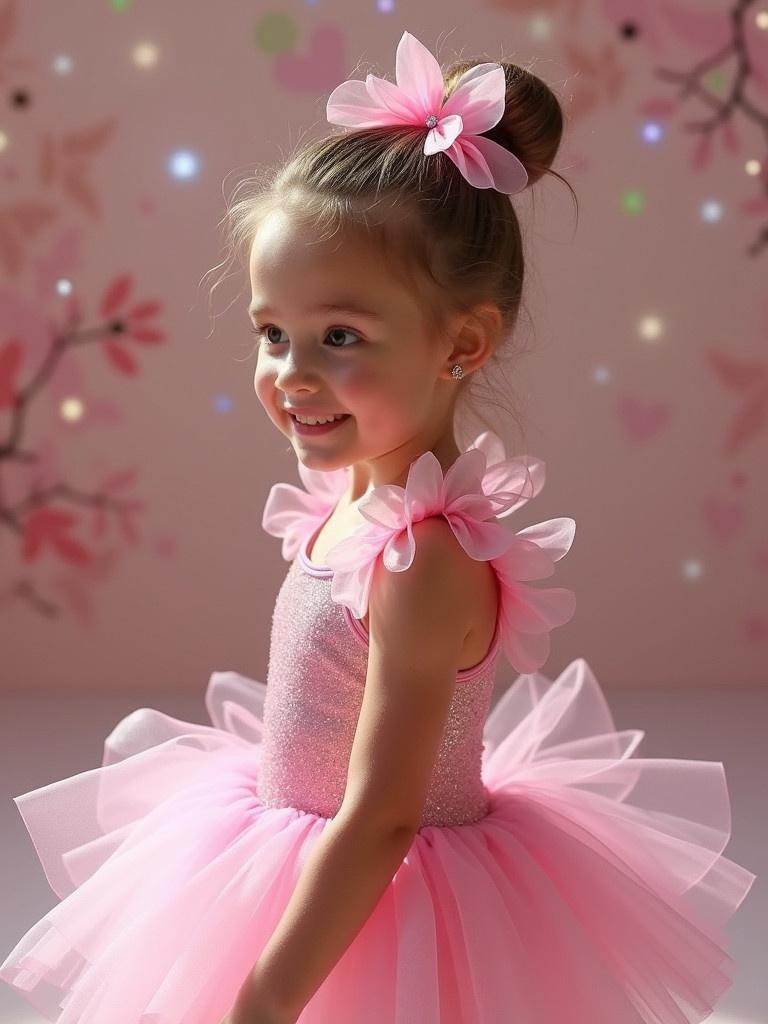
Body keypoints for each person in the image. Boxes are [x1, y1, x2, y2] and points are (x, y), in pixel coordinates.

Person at [0, 30, 756, 1024]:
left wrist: (268, 992)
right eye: (274, 333)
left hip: (382, 900)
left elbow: (385, 812)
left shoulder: (427, 562)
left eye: (340, 336)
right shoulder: (358, 510)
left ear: (464, 343)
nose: (291, 374)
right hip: (297, 851)